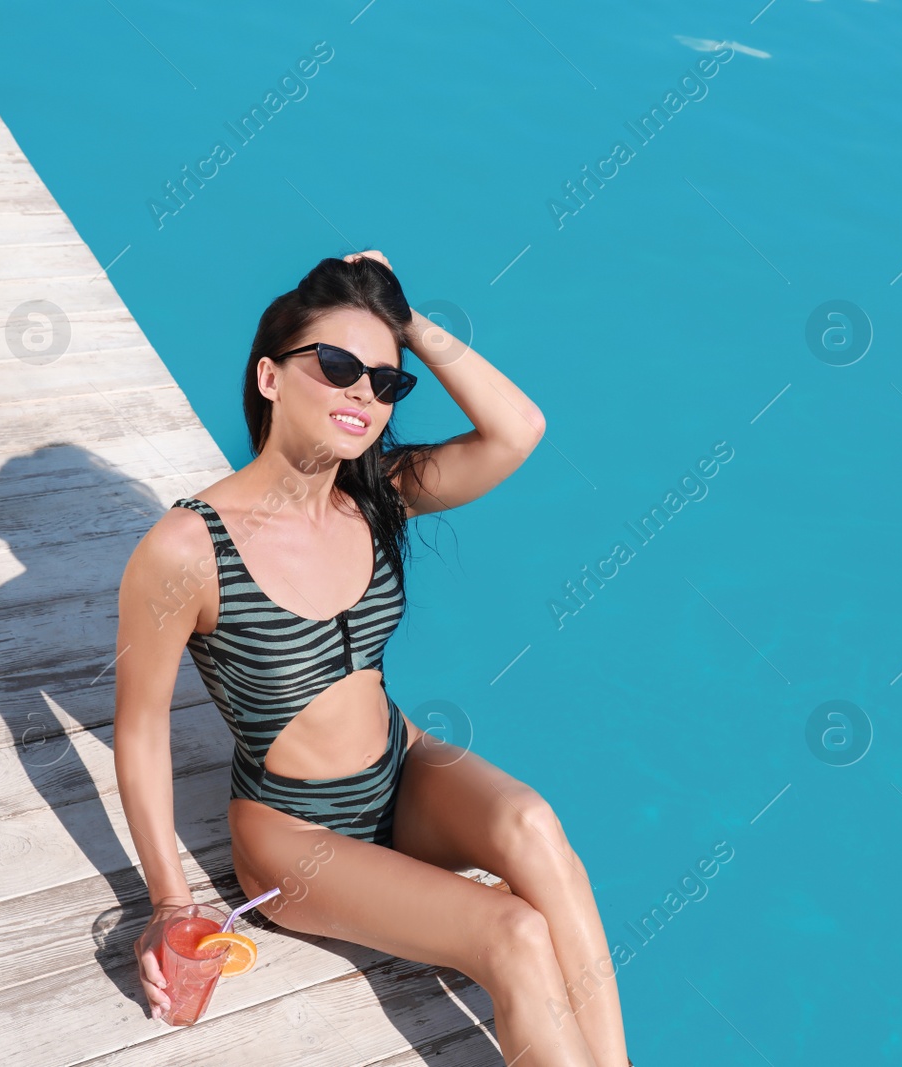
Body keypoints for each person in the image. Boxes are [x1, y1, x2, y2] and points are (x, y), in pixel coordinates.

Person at [113, 250, 631, 1066]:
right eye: (338, 364)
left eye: (385, 380)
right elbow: (139, 729)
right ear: (270, 376)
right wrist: (168, 901)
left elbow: (517, 429)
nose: (363, 390)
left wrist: (409, 321)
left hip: (403, 767)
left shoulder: (378, 492)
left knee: (534, 823)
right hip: (292, 831)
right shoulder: (188, 547)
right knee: (511, 930)